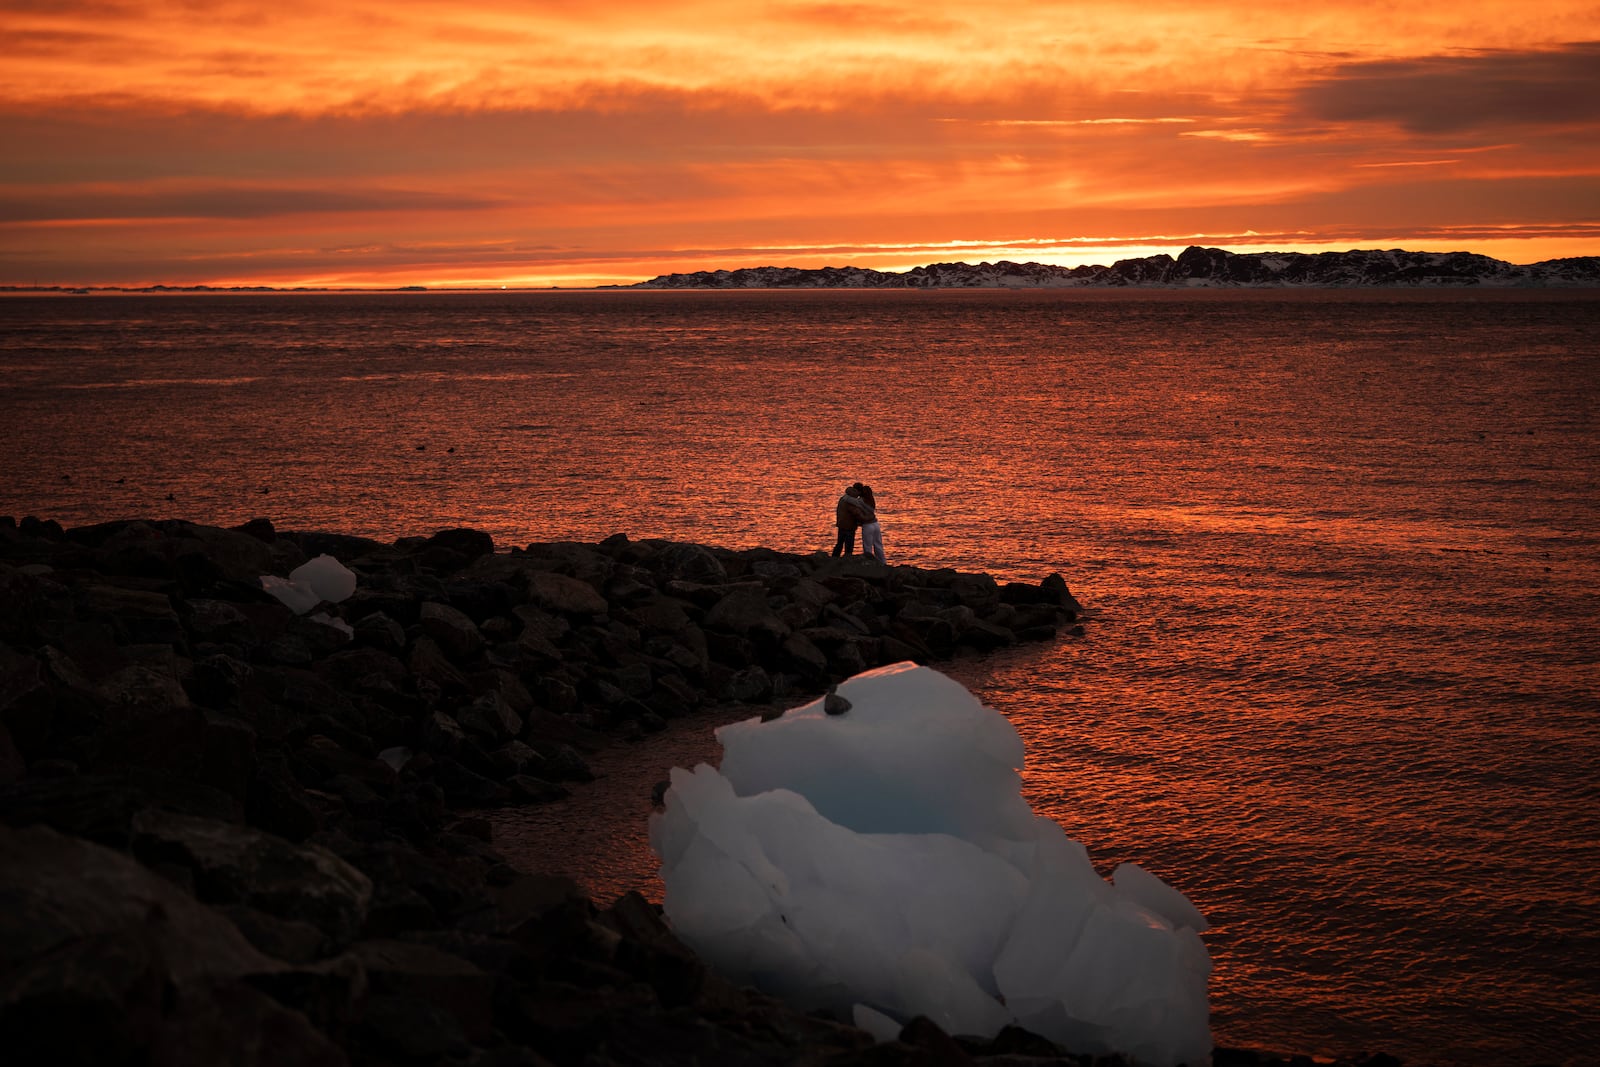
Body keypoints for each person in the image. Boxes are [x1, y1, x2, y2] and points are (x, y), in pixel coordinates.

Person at [833, 485, 868, 556]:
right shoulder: (852, 501)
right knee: (849, 547)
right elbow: (857, 513)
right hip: (849, 526)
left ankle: (833, 559)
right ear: (858, 492)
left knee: (839, 544)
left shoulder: (843, 498)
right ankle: (847, 561)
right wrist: (866, 520)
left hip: (841, 524)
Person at [855, 482, 886, 563]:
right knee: (878, 545)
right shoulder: (871, 500)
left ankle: (869, 563)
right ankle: (883, 563)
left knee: (867, 546)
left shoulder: (859, 501)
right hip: (875, 524)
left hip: (867, 525)